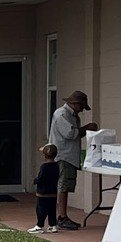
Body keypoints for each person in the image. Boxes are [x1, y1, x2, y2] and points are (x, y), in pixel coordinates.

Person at [47, 89, 91, 229]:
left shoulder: (73, 116)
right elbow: (70, 133)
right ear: (74, 103)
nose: (82, 110)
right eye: (81, 107)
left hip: (70, 155)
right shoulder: (61, 114)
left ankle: (62, 216)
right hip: (63, 155)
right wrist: (87, 128)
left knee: (66, 185)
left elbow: (75, 135)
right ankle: (61, 216)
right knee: (63, 186)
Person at [33, 144, 60, 232]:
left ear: (45, 155)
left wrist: (35, 181)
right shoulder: (56, 166)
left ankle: (39, 225)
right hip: (53, 193)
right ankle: (53, 225)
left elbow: (41, 179)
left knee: (41, 210)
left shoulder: (44, 167)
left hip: (43, 193)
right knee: (52, 210)